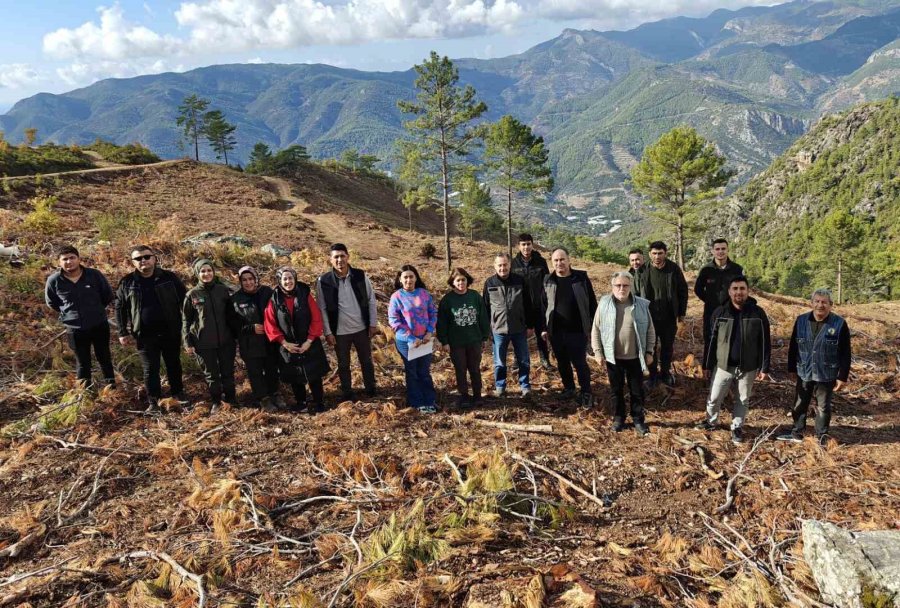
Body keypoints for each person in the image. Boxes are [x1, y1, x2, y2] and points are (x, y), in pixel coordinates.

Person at [698, 276, 771, 444]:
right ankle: (711, 421)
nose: (739, 292)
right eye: (735, 289)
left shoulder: (757, 313)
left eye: (742, 289)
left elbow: (765, 341)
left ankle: (737, 427)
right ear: (730, 292)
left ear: (748, 291)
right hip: (723, 365)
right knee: (714, 397)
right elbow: (711, 341)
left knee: (742, 399)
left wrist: (764, 367)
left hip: (749, 366)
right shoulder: (720, 312)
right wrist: (707, 364)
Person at [115, 245, 188, 412]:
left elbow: (185, 302)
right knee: (150, 369)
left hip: (170, 330)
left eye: (147, 257)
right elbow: (120, 308)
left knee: (173, 364)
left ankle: (178, 394)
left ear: (154, 258)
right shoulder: (127, 282)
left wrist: (187, 327)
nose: (143, 261)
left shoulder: (169, 278)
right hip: (144, 334)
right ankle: (153, 400)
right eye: (138, 259)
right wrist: (122, 331)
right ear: (133, 262)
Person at [777, 288, 851, 444]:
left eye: (824, 302)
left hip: (826, 373)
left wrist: (842, 376)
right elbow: (793, 346)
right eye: (817, 301)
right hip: (804, 370)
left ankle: (821, 436)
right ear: (811, 303)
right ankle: (797, 432)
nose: (820, 305)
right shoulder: (801, 320)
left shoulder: (839, 324)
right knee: (799, 402)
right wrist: (791, 368)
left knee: (823, 407)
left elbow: (845, 353)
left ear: (831, 305)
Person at [591, 272, 656, 435]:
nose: (621, 288)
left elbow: (650, 330)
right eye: (618, 285)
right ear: (612, 287)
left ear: (630, 286)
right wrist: (598, 352)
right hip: (614, 358)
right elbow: (596, 329)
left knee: (637, 391)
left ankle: (638, 419)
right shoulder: (604, 304)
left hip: (635, 357)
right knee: (616, 390)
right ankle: (619, 418)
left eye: (625, 285)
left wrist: (649, 351)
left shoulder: (641, 305)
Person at [44, 245, 116, 388]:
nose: (69, 262)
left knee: (104, 358)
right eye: (65, 259)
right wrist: (69, 313)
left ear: (78, 259)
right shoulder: (54, 281)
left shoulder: (94, 275)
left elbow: (107, 295)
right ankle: (85, 392)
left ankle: (112, 389)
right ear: (59, 262)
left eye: (72, 258)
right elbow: (52, 302)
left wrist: (96, 310)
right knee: (83, 362)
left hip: (98, 325)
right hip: (75, 328)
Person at [316, 243, 379, 401]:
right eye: (336, 257)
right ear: (330, 260)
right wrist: (328, 332)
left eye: (342, 256)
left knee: (366, 360)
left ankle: (371, 389)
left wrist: (372, 323)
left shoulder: (360, 275)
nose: (339, 260)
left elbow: (371, 300)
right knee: (344, 364)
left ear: (348, 257)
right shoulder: (324, 281)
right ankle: (347, 393)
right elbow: (322, 308)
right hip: (339, 332)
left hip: (361, 328)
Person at [264, 266, 329, 413]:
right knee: (295, 376)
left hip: (308, 342)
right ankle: (302, 403)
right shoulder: (274, 299)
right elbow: (270, 323)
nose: (288, 282)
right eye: (285, 279)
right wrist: (284, 343)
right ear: (279, 281)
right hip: (288, 345)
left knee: (314, 374)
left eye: (290, 278)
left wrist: (310, 340)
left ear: (295, 279)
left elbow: (316, 318)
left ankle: (319, 402)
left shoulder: (304, 293)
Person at [542, 247, 598, 407]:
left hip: (578, 330)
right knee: (562, 362)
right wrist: (544, 327)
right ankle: (569, 388)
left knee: (580, 362)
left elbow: (592, 302)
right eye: (556, 260)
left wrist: (595, 324)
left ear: (568, 260)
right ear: (552, 262)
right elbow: (543, 305)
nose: (559, 263)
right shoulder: (548, 280)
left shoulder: (580, 278)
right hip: (556, 331)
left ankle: (586, 391)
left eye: (562, 259)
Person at [182, 259, 237, 406]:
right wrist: (187, 341)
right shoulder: (192, 295)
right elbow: (186, 321)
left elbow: (232, 315)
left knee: (228, 373)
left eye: (209, 270)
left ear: (213, 272)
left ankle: (231, 400)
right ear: (197, 273)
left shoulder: (223, 290)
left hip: (226, 340)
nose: (206, 274)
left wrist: (236, 335)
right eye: (203, 271)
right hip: (203, 342)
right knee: (211, 375)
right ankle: (217, 402)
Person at [634, 241, 688, 387]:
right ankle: (652, 375)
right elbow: (636, 294)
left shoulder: (673, 269)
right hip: (648, 317)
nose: (657, 256)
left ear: (665, 253)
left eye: (660, 253)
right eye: (654, 253)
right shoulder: (642, 270)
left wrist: (681, 314)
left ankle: (665, 372)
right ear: (650, 254)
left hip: (669, 317)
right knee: (650, 347)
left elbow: (683, 291)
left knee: (667, 346)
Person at [484, 253, 536, 399]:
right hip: (498, 330)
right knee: (499, 362)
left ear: (509, 265)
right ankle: (500, 387)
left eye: (505, 264)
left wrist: (530, 325)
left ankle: (525, 387)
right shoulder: (490, 283)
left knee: (523, 360)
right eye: (499, 265)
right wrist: (487, 328)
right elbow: (486, 307)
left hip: (519, 328)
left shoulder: (520, 280)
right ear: (495, 266)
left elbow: (528, 304)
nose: (502, 268)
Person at [437, 267, 490, 407]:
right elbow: (442, 322)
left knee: (474, 368)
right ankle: (464, 395)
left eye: (463, 280)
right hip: (456, 342)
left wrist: (485, 337)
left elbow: (483, 317)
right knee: (460, 369)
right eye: (458, 280)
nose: (461, 283)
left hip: (474, 340)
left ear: (468, 280)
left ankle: (477, 395)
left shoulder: (475, 296)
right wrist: (444, 341)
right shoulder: (447, 300)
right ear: (453, 282)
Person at [388, 265, 438, 413]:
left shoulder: (424, 294)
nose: (408, 279)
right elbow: (394, 321)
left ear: (416, 277)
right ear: (400, 279)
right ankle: (416, 403)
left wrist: (429, 332)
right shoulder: (396, 297)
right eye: (405, 277)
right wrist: (411, 338)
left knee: (424, 371)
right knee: (412, 372)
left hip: (424, 339)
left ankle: (429, 401)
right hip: (406, 342)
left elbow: (433, 313)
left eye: (411, 276)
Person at [232, 266, 284, 409]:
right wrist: (251, 328)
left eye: (251, 279)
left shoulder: (267, 292)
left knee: (272, 369)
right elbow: (233, 325)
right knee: (255, 372)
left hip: (269, 340)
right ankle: (263, 398)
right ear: (240, 282)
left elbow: (278, 312)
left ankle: (275, 393)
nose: (248, 282)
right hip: (250, 342)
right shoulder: (236, 299)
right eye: (244, 280)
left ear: (256, 279)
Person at [694, 239, 744, 363]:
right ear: (712, 251)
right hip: (711, 311)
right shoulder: (706, 270)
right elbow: (698, 289)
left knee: (731, 340)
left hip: (732, 312)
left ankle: (729, 370)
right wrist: (710, 301)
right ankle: (708, 369)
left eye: (723, 249)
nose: (720, 251)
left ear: (727, 250)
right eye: (717, 249)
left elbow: (742, 289)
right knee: (710, 340)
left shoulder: (737, 269)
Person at [511, 233, 553, 370]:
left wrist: (546, 301)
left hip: (539, 305)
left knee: (542, 334)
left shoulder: (540, 262)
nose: (526, 247)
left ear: (532, 245)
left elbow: (547, 282)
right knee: (520, 335)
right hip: (521, 306)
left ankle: (545, 360)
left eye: (528, 244)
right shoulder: (513, 263)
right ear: (518, 246)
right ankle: (517, 360)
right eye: (523, 244)